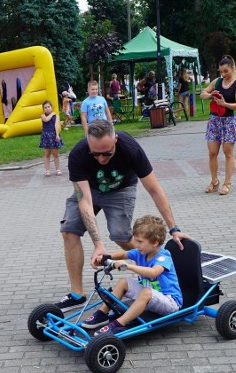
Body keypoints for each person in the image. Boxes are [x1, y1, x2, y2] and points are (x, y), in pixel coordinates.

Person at [54, 119, 190, 312]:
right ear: (87, 142)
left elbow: (154, 189)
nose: (101, 159)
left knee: (121, 236)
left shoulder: (130, 148)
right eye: (96, 154)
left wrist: (174, 229)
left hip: (121, 189)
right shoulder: (78, 154)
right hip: (90, 190)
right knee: (69, 229)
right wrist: (98, 244)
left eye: (107, 153)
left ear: (115, 139)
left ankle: (161, 272)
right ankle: (77, 294)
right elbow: (84, 201)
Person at [81, 215, 183, 335]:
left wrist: (128, 266)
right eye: (135, 240)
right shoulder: (141, 252)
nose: (136, 244)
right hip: (151, 297)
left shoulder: (163, 256)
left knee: (146, 292)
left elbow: (153, 273)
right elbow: (124, 254)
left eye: (140, 241)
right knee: (124, 282)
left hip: (169, 302)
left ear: (155, 242)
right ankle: (102, 314)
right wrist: (105, 257)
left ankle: (119, 324)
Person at [199, 55, 236, 196]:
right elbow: (202, 94)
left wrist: (224, 104)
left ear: (232, 68)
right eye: (221, 72)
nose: (223, 74)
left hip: (228, 122)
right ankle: (214, 181)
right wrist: (211, 94)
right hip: (214, 121)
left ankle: (227, 183)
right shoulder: (217, 81)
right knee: (212, 152)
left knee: (228, 152)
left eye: (226, 71)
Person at [39, 100, 63, 176]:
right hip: (46, 135)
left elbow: (56, 125)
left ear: (51, 107)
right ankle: (47, 170)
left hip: (53, 135)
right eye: (45, 107)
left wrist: (57, 135)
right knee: (47, 153)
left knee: (55, 154)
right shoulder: (43, 115)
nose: (47, 108)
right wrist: (52, 114)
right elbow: (46, 120)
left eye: (48, 107)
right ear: (43, 109)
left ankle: (58, 169)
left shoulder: (56, 116)